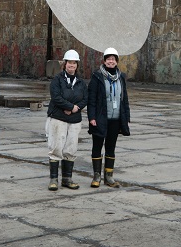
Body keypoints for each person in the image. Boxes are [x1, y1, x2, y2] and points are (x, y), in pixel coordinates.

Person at [87, 47, 130, 188]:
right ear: (104, 61)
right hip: (100, 118)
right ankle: (96, 176)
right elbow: (91, 99)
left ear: (117, 62)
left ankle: (109, 177)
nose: (111, 61)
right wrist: (91, 117)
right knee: (97, 146)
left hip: (115, 119)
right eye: (108, 59)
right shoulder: (97, 77)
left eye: (113, 59)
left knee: (111, 147)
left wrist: (126, 117)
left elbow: (124, 99)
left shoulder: (121, 77)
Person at [46, 49, 88, 191]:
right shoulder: (57, 80)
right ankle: (53, 180)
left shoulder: (81, 82)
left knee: (71, 148)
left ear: (77, 65)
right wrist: (69, 106)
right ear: (65, 64)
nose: (72, 65)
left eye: (74, 63)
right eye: (69, 62)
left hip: (74, 120)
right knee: (56, 147)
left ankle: (67, 179)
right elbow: (56, 97)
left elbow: (85, 98)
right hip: (58, 118)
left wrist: (75, 108)